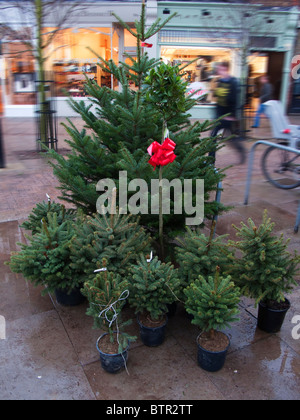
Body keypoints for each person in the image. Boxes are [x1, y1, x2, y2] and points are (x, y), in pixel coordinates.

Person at [210, 61, 246, 165]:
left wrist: (233, 116)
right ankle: (210, 161)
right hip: (220, 115)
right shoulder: (220, 81)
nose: (218, 70)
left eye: (220, 68)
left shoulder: (233, 82)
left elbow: (235, 100)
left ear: (225, 69)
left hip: (229, 116)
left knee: (231, 139)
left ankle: (241, 151)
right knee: (212, 137)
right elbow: (217, 98)